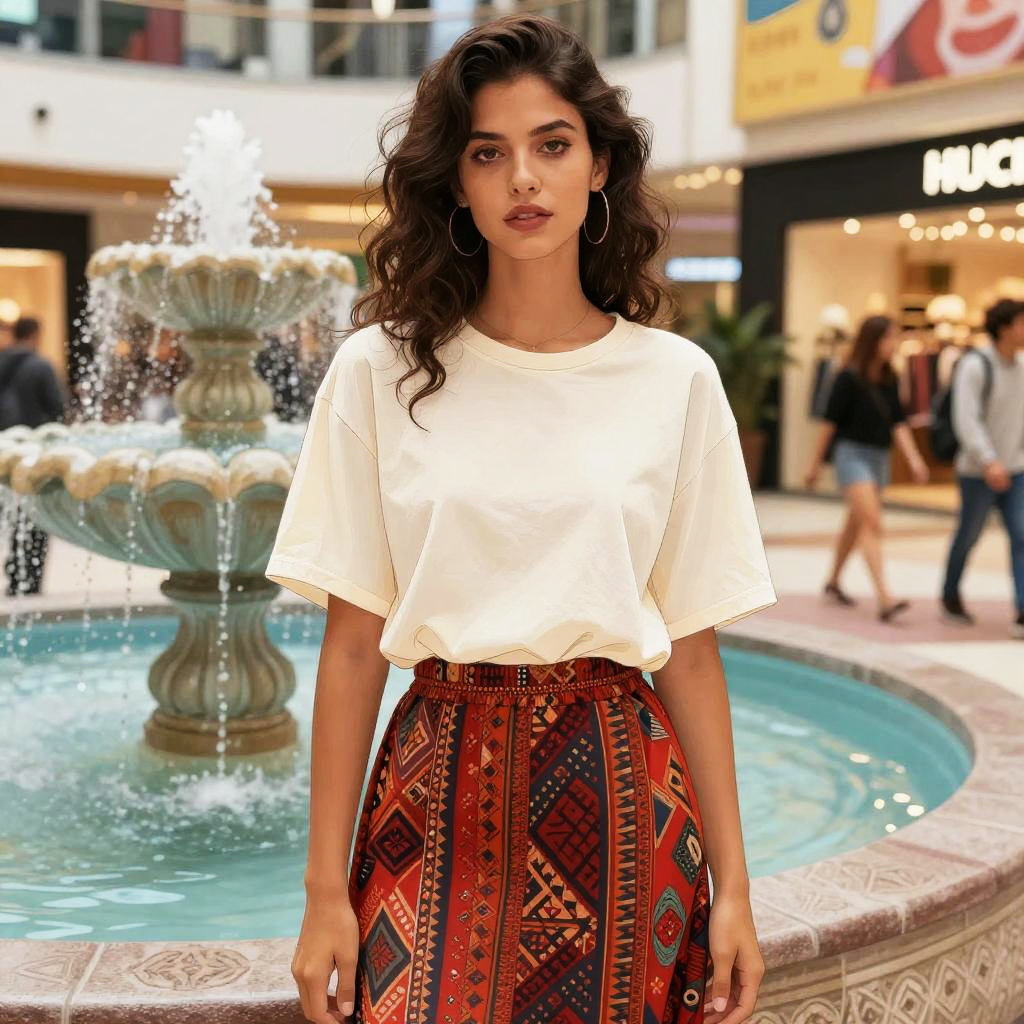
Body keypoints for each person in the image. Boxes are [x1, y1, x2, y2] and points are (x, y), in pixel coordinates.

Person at [265, 15, 778, 1024]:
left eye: (552, 145)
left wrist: (738, 891)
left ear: (599, 167)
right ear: (455, 184)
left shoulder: (674, 379)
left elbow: (689, 650)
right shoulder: (380, 370)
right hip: (434, 782)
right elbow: (355, 644)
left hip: (623, 789)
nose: (523, 180)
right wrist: (325, 893)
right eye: (487, 153)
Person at [804, 315, 930, 622]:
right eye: (889, 338)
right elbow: (829, 424)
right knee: (872, 522)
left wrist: (914, 458)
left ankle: (833, 581)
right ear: (872, 341)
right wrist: (815, 465)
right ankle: (885, 599)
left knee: (856, 522)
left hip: (879, 457)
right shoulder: (847, 377)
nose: (894, 344)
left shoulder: (890, 376)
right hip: (851, 455)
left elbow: (898, 422)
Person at [940, 298, 1024, 639]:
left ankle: (1022, 609)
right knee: (969, 535)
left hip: (1017, 469)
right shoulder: (975, 365)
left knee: (1022, 536)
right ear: (1005, 327)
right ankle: (950, 595)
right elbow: (966, 419)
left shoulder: (1022, 367)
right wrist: (989, 460)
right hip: (978, 471)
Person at [0, 315, 66, 596]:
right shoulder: (40, 366)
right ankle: (28, 574)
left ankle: (13, 571)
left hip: (4, 449)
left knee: (9, 511)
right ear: (35, 334)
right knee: (34, 514)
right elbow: (57, 409)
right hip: (34, 451)